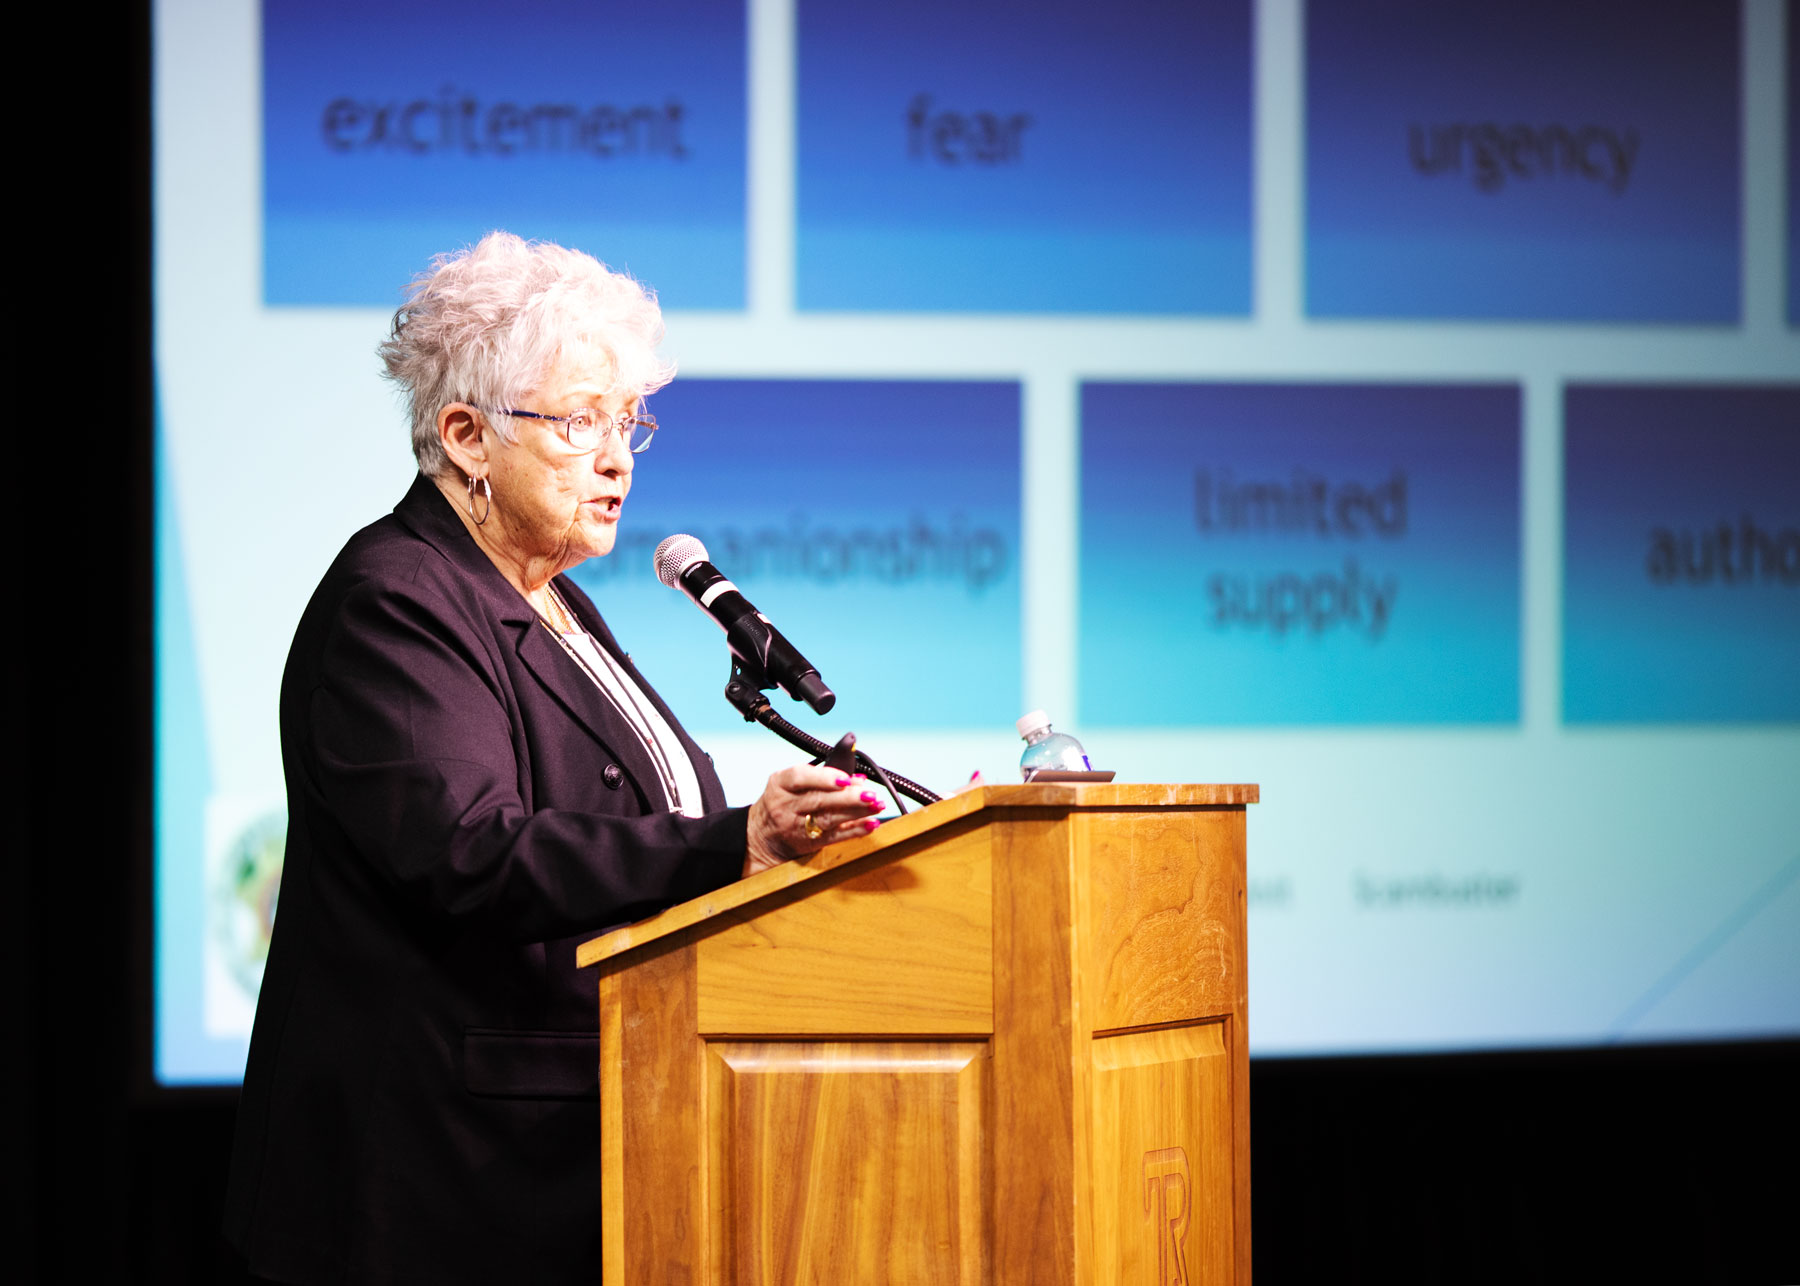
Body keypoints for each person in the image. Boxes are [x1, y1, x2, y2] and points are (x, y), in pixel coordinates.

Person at [222, 232, 883, 1284]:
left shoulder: (551, 599)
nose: (619, 454)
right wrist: (728, 843)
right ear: (466, 435)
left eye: (628, 421)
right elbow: (470, 852)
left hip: (578, 1156)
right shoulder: (394, 600)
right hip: (440, 1191)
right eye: (581, 420)